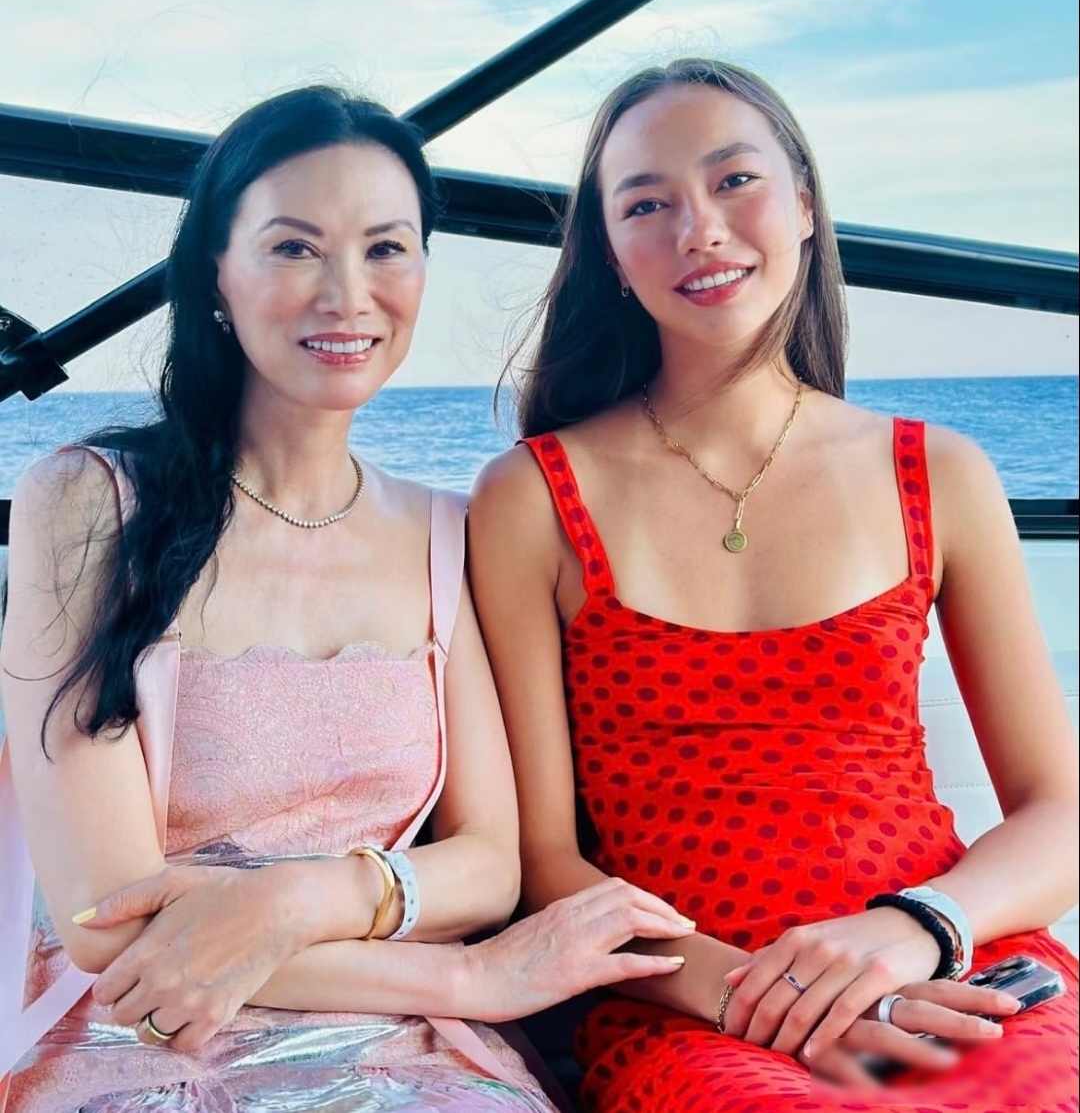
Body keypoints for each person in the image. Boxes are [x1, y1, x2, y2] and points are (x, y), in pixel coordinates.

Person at [0, 85, 693, 1113]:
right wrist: (467, 979)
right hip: (141, 1031)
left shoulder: (445, 530)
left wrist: (294, 899)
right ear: (216, 273)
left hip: (403, 1044)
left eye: (385, 249)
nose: (348, 295)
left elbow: (489, 866)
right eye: (294, 248)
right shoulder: (89, 502)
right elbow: (111, 922)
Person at [468, 58, 1080, 1111]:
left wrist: (915, 929)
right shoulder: (532, 496)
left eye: (734, 181)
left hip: (946, 957)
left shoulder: (938, 472)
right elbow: (546, 863)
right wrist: (767, 994)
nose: (699, 229)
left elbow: (1058, 812)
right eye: (647, 204)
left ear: (803, 204)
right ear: (609, 252)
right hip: (693, 1002)